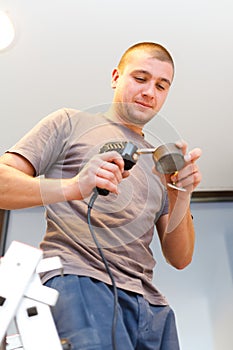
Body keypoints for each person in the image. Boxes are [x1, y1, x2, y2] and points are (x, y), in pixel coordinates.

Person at [0, 42, 202, 350]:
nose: (150, 92)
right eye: (140, 78)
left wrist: (181, 194)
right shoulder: (69, 123)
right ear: (115, 77)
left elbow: (180, 258)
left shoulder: (161, 164)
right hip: (80, 281)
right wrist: (75, 187)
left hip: (150, 305)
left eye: (162, 85)